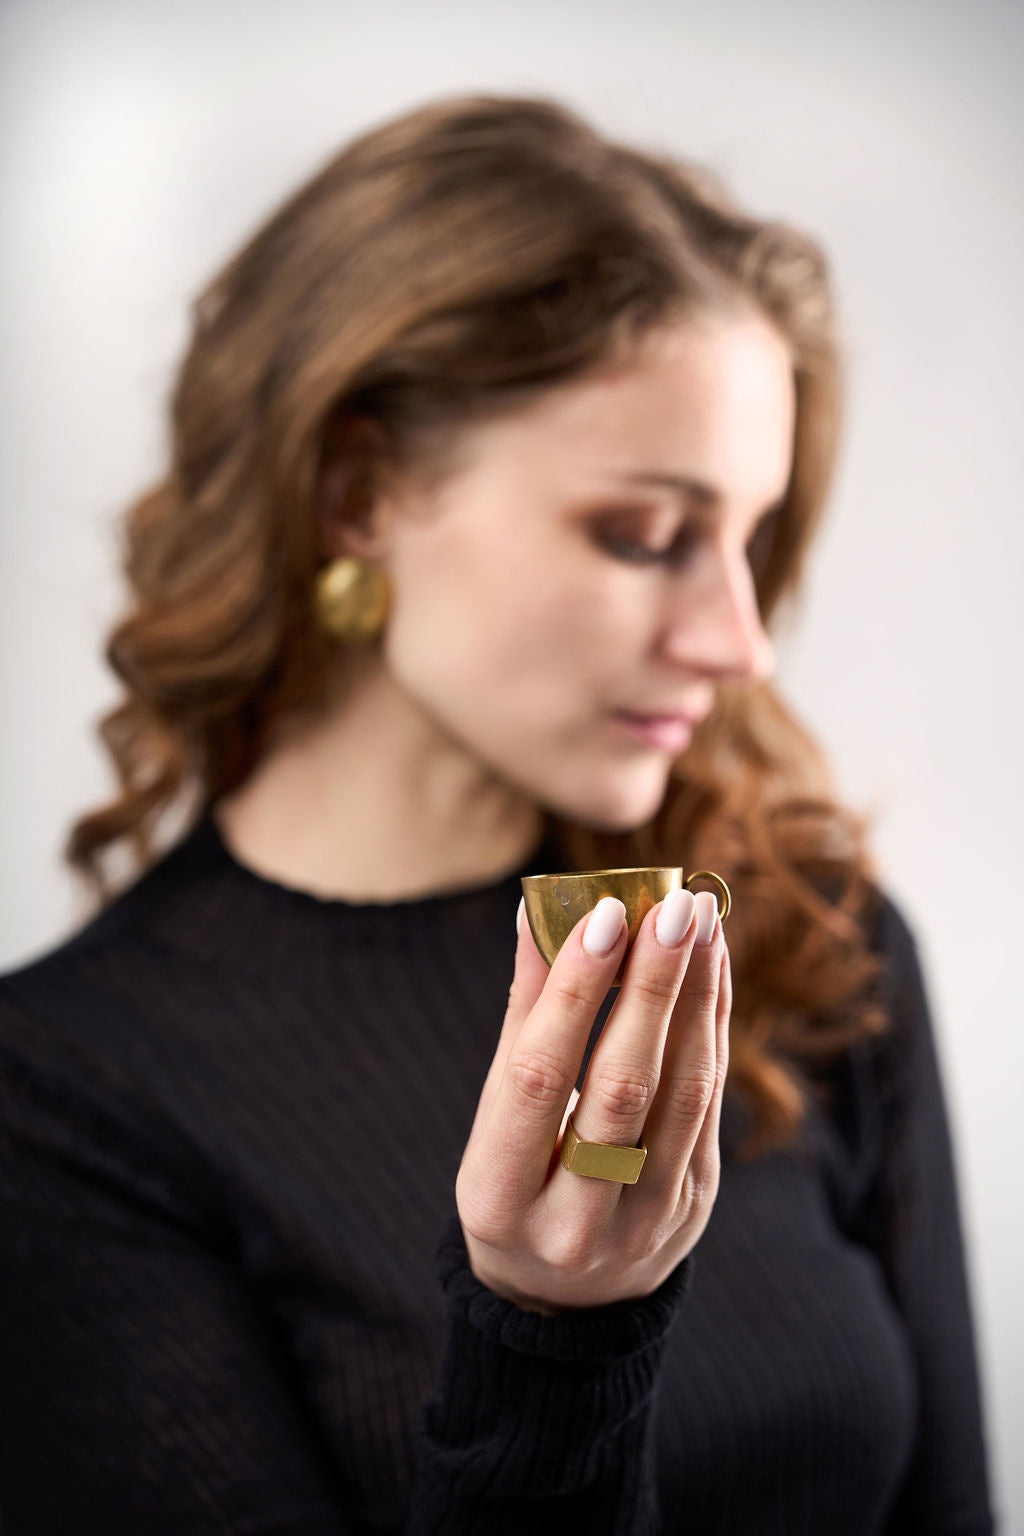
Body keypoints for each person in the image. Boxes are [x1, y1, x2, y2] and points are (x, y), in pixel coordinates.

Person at [0, 92, 995, 1535]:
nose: (739, 638)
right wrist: (554, 1338)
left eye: (752, 540)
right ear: (357, 493)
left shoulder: (806, 948)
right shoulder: (64, 1104)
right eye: (646, 534)